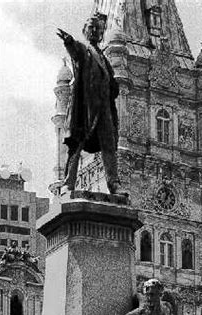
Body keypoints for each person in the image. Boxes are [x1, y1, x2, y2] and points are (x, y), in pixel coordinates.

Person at [57, 14, 120, 194]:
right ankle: (68, 182)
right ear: (86, 31)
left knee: (109, 145)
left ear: (102, 33)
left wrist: (112, 87)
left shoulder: (103, 57)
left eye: (98, 29)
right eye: (91, 28)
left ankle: (114, 184)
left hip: (104, 109)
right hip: (86, 107)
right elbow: (76, 52)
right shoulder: (85, 51)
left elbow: (110, 81)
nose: (95, 32)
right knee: (76, 144)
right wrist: (69, 42)